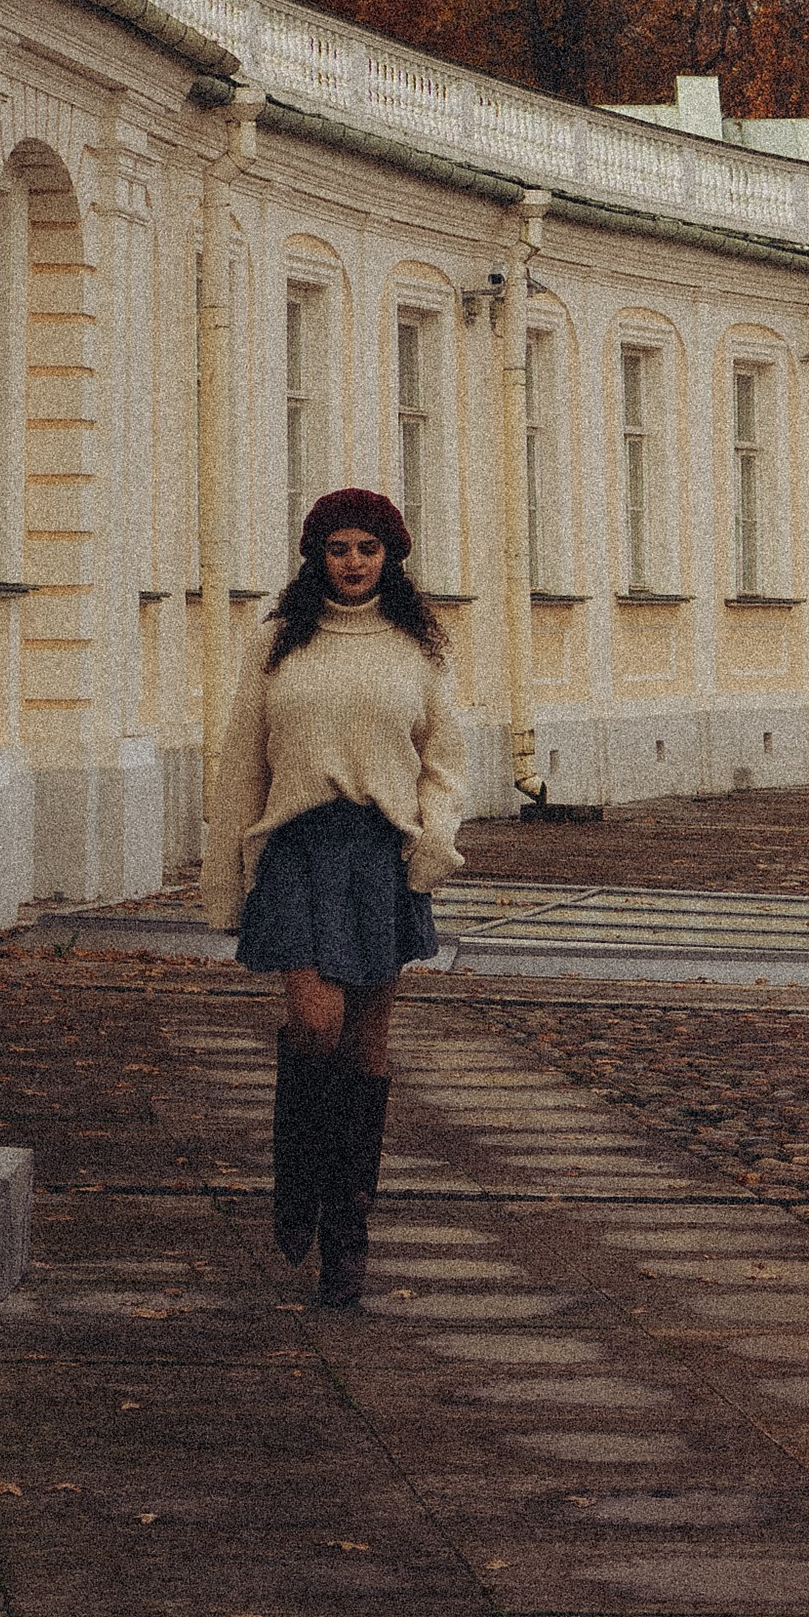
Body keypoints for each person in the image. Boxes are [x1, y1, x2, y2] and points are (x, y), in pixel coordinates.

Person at [202, 487, 467, 1306]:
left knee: (367, 1050)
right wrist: (227, 879)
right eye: (338, 548)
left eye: (368, 549)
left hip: (379, 856)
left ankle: (347, 1237)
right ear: (316, 556)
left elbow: (445, 762)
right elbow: (241, 758)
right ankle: (298, 1185)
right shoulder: (281, 643)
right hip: (296, 849)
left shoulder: (418, 648)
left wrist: (431, 844)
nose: (353, 563)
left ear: (391, 557)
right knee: (315, 1024)